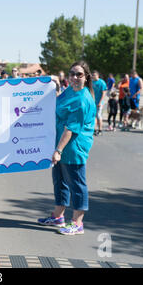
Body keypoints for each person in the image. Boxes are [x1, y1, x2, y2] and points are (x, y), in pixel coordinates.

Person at [37, 60, 96, 235]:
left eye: (79, 74)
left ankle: (77, 222)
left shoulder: (82, 99)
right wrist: (54, 86)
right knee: (59, 180)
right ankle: (58, 216)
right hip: (59, 143)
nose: (75, 77)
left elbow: (70, 129)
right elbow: (57, 102)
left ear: (86, 77)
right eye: (72, 74)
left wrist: (58, 150)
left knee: (77, 184)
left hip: (73, 147)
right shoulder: (70, 90)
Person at [92, 71, 107, 136]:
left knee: (98, 115)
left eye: (94, 75)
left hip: (99, 102)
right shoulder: (92, 82)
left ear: (97, 75)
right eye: (92, 75)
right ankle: (94, 130)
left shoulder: (102, 82)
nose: (93, 76)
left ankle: (100, 130)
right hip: (93, 102)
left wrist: (100, 102)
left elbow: (104, 93)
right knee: (93, 116)